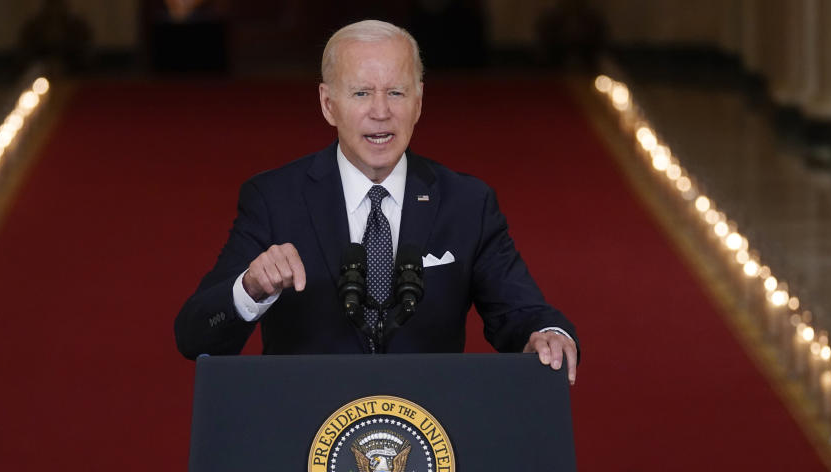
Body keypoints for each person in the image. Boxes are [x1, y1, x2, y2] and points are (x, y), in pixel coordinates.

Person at [174, 19, 579, 384]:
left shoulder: (467, 202)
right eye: (362, 93)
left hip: (430, 431)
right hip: (307, 429)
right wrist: (250, 288)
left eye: (396, 92)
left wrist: (547, 336)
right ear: (328, 104)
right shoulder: (274, 199)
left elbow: (523, 313)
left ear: (418, 101)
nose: (381, 112)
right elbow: (195, 335)